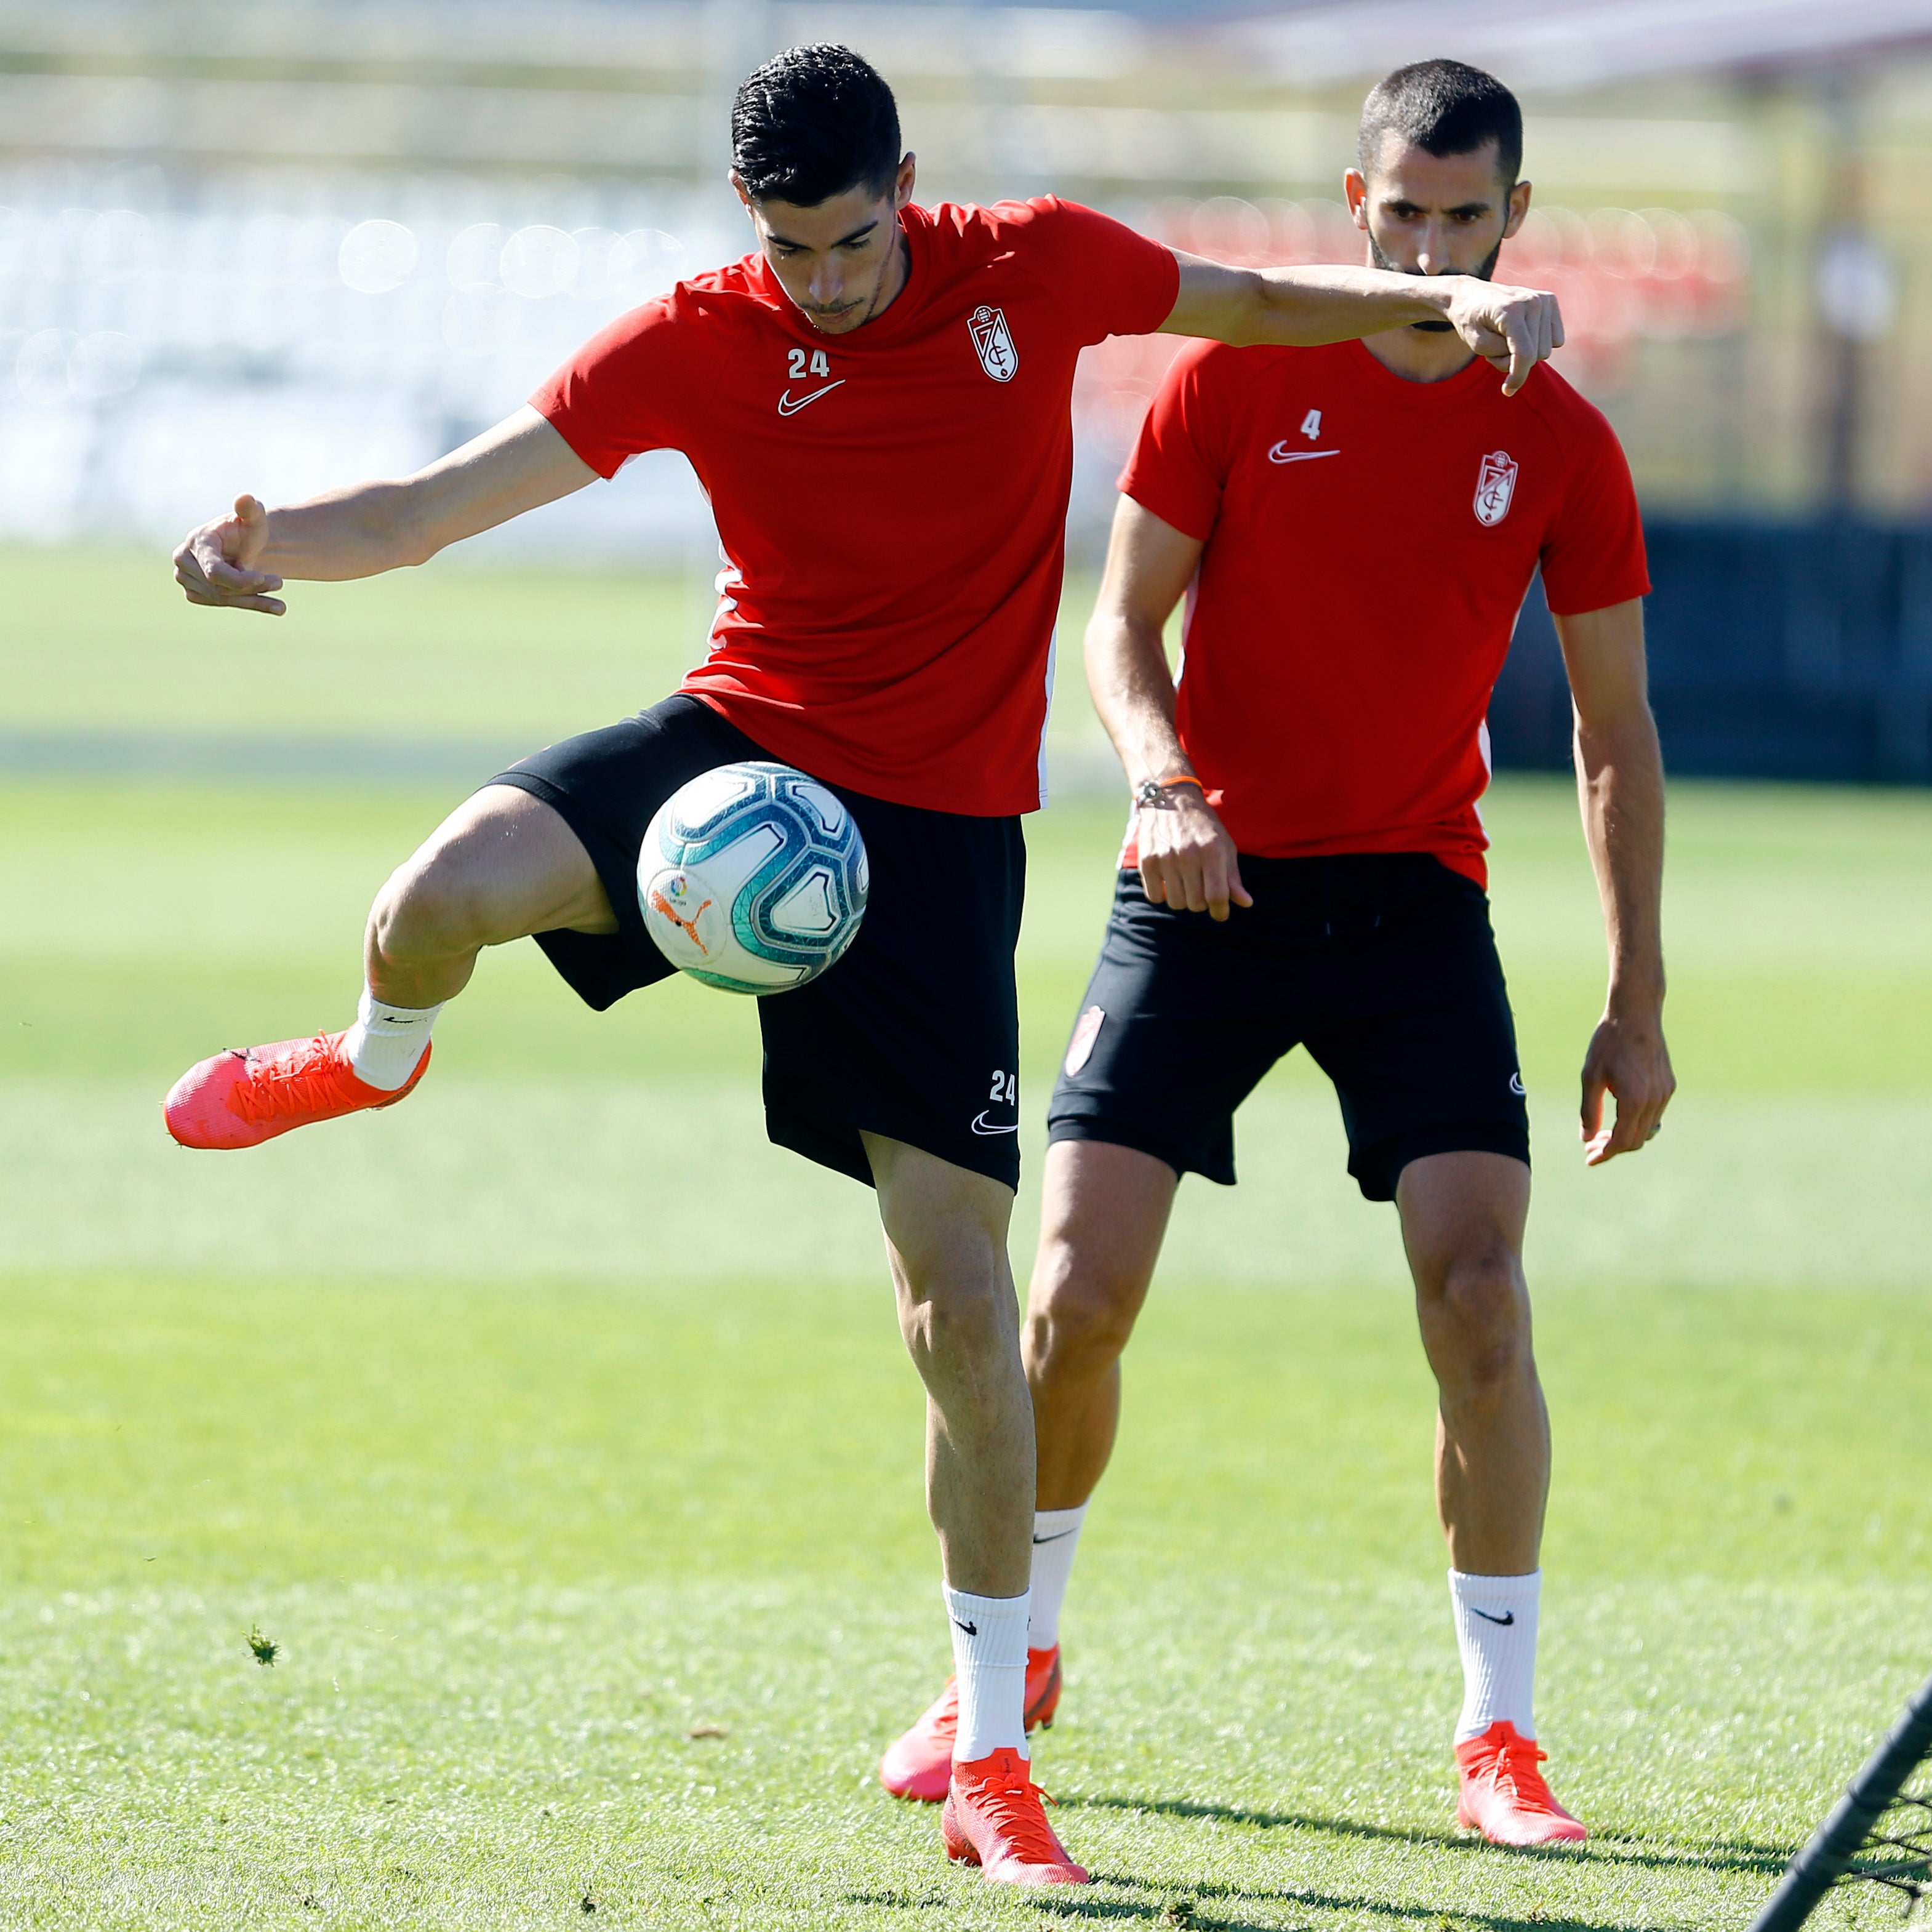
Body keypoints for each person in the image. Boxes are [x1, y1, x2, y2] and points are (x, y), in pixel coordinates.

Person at [165, 46, 1563, 1885]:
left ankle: (991, 1754)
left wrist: (1441, 296)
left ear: (907, 181)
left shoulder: (1034, 268)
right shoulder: (696, 332)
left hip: (928, 848)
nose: (819, 279)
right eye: (787, 248)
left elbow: (1252, 297)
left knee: (963, 1311)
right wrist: (257, 549)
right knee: (428, 894)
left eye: (847, 239)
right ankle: (376, 1055)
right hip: (740, 753)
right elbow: (432, 506)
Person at [879, 58, 1672, 1848]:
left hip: (1411, 908)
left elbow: (1611, 729)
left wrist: (1631, 1001)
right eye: (1401, 212)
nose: (1430, 243)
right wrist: (1163, 786)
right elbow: (1119, 626)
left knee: (1480, 1301)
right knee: (1068, 1302)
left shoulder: (1559, 434)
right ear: (1353, 204)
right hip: (1200, 895)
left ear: (1514, 222)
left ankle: (1498, 1734)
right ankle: (1010, 1667)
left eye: (1464, 217)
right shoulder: (1235, 376)